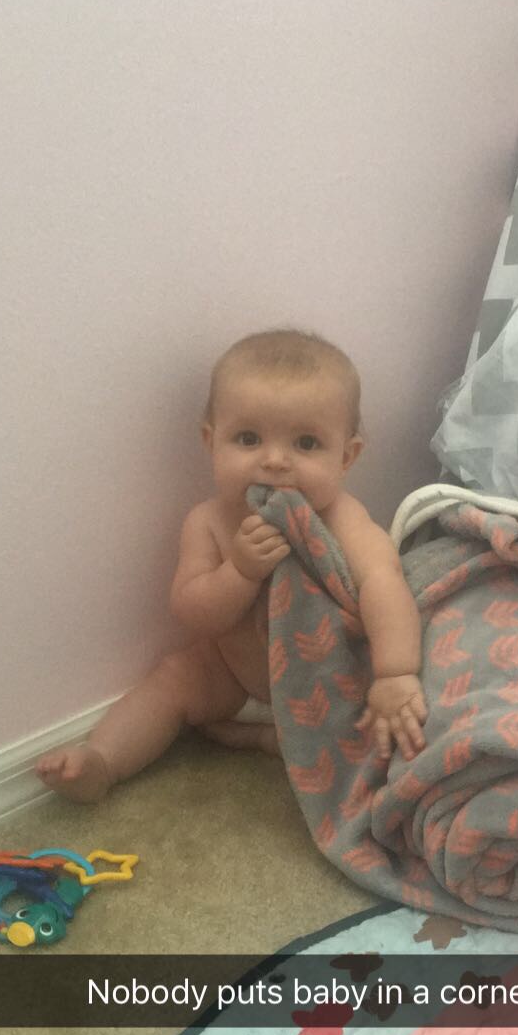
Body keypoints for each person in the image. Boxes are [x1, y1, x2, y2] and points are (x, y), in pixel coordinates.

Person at [36, 329, 427, 802]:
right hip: (235, 681)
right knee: (174, 676)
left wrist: (394, 674)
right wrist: (238, 572)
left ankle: (272, 739)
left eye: (306, 443)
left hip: (326, 689)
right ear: (211, 441)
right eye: (248, 438)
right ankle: (103, 760)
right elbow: (193, 612)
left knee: (392, 733)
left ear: (346, 456)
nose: (275, 461)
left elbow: (385, 583)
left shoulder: (345, 520)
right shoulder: (209, 522)